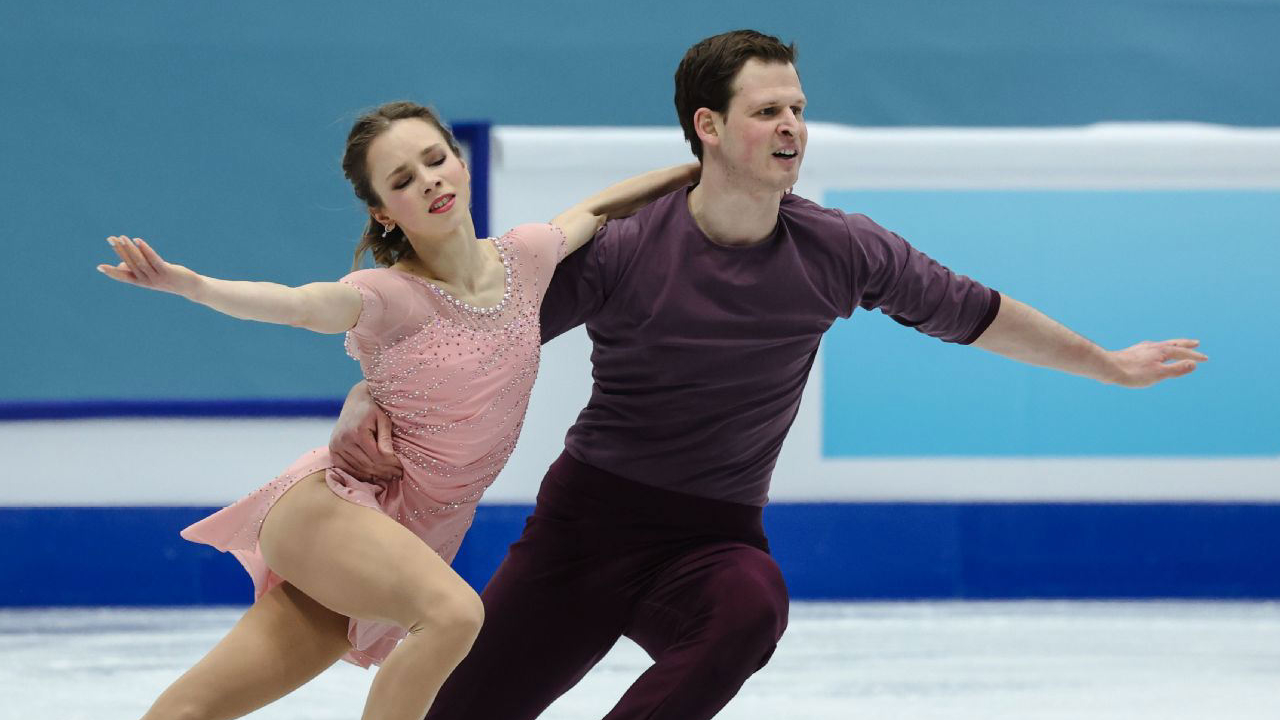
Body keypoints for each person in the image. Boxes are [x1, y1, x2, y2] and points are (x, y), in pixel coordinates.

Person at [332, 31, 1209, 720]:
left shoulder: (841, 249)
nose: (791, 126)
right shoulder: (625, 254)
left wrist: (1104, 364)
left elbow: (972, 311)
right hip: (584, 532)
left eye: (796, 108)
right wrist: (366, 392)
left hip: (711, 536)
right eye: (765, 112)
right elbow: (470, 333)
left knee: (751, 609)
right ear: (708, 127)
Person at [96, 100, 697, 720]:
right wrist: (195, 287)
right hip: (334, 514)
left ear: (459, 165)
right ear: (383, 212)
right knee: (455, 614)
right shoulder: (387, 297)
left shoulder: (528, 256)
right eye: (403, 180)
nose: (429, 180)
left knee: (189, 713)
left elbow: (599, 208)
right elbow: (298, 304)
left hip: (406, 538)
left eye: (435, 160)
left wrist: (703, 168)